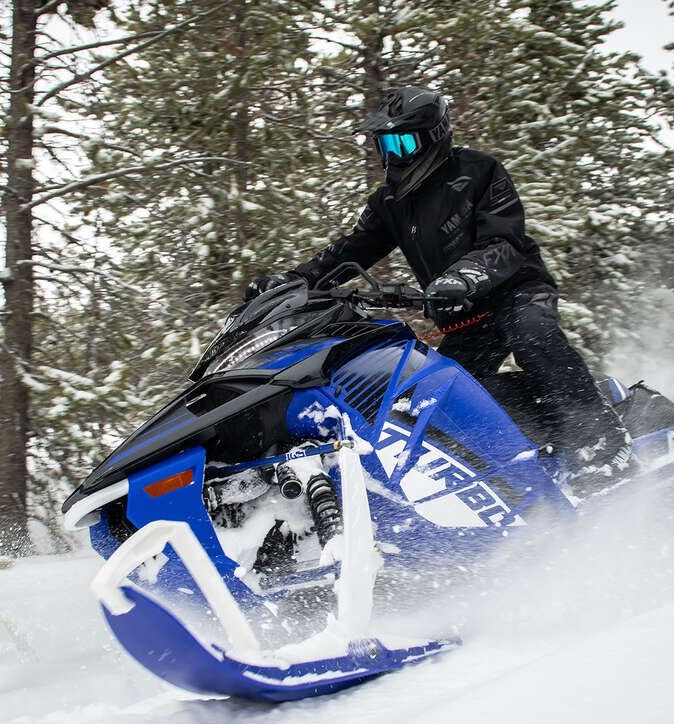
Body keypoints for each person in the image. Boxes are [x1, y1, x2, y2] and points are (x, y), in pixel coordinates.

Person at [245, 87, 632, 487]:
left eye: (402, 142)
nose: (393, 155)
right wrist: (297, 280)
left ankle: (603, 441)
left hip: (516, 293)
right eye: (385, 144)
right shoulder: (390, 203)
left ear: (433, 136)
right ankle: (523, 456)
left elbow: (504, 241)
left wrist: (463, 277)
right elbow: (350, 250)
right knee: (442, 398)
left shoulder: (480, 172)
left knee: (532, 334)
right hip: (465, 318)